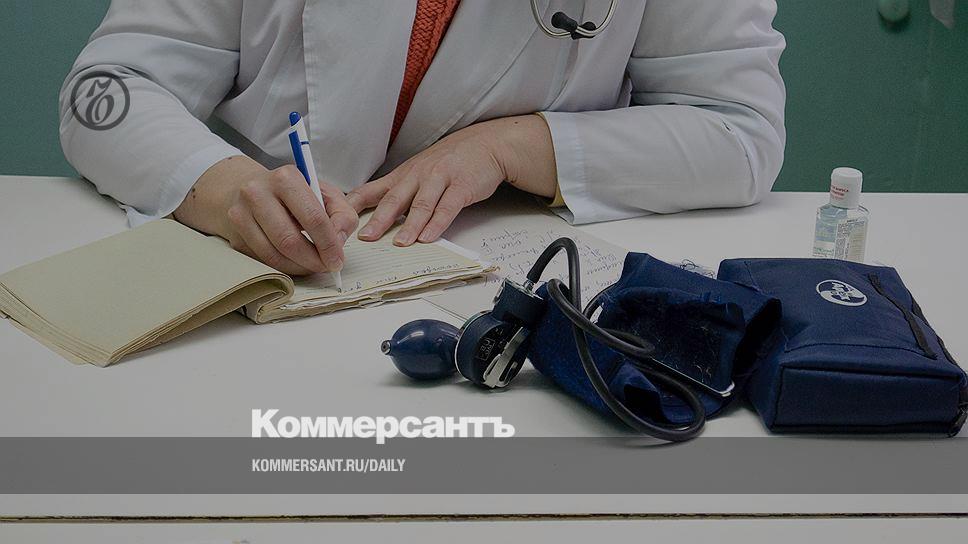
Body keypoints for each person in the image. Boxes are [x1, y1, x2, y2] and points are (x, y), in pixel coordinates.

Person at [60, 0, 786, 276]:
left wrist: (511, 148)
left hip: (497, 288)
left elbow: (739, 131)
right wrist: (223, 189)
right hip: (263, 279)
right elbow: (109, 87)